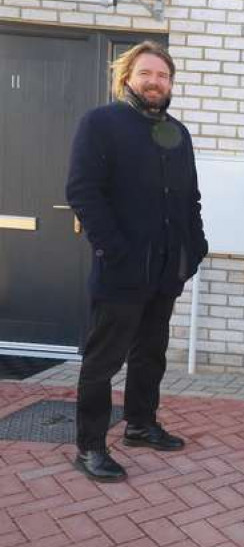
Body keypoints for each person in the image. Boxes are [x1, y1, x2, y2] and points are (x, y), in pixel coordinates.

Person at [66, 41, 208, 483]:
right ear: (127, 77)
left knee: (150, 354)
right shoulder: (102, 123)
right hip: (121, 270)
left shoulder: (177, 133)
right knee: (103, 361)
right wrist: (113, 250)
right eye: (146, 73)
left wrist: (195, 246)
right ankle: (89, 446)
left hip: (166, 271)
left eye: (163, 76)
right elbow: (83, 191)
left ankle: (141, 425)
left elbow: (189, 197)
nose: (154, 82)